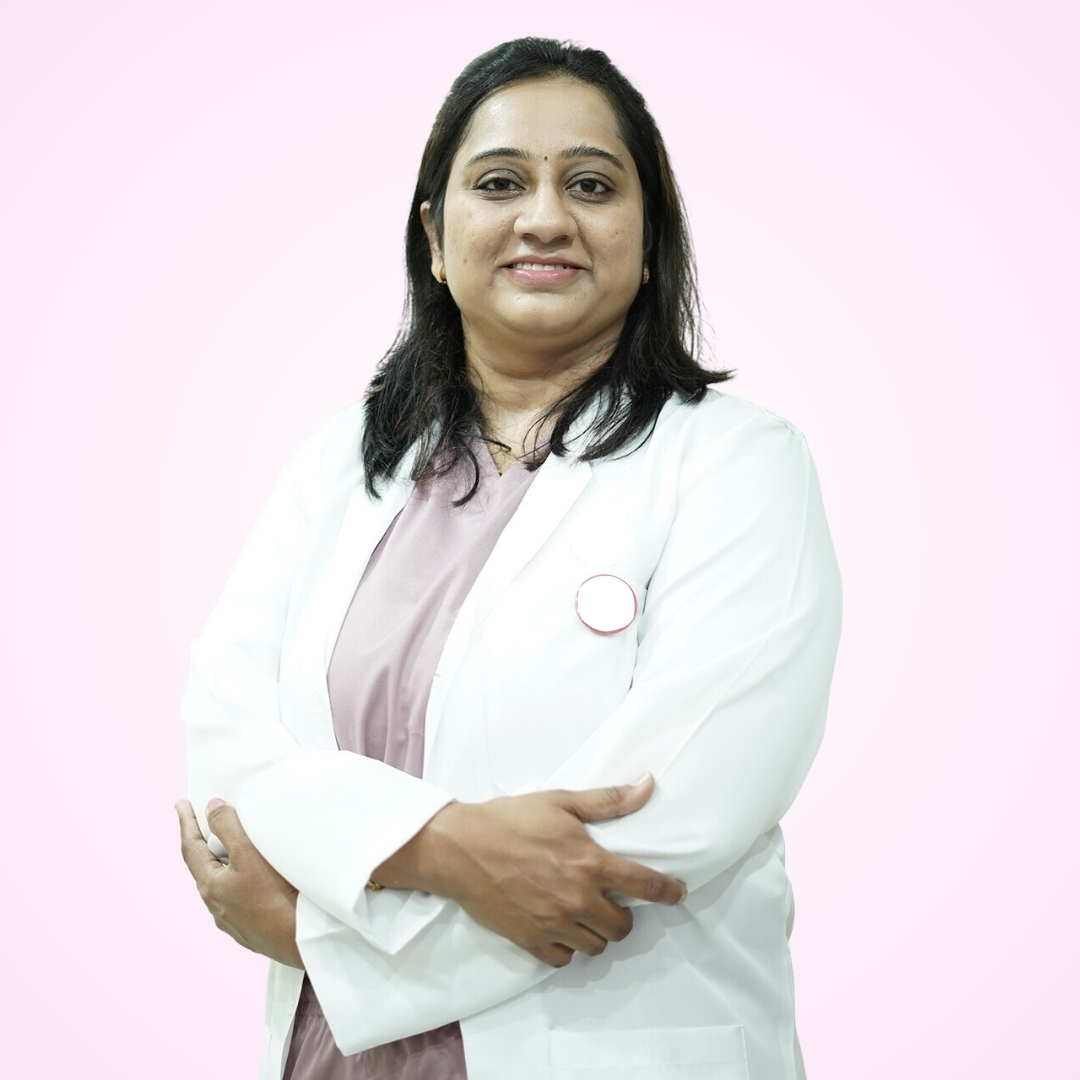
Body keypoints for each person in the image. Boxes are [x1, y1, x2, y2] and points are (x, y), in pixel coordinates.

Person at [177, 36, 842, 1080]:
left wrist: (323, 940)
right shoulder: (340, 465)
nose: (544, 218)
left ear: (649, 239)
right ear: (436, 239)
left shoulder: (740, 465)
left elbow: (673, 819)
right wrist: (442, 846)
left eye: (591, 185)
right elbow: (228, 743)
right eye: (499, 183)